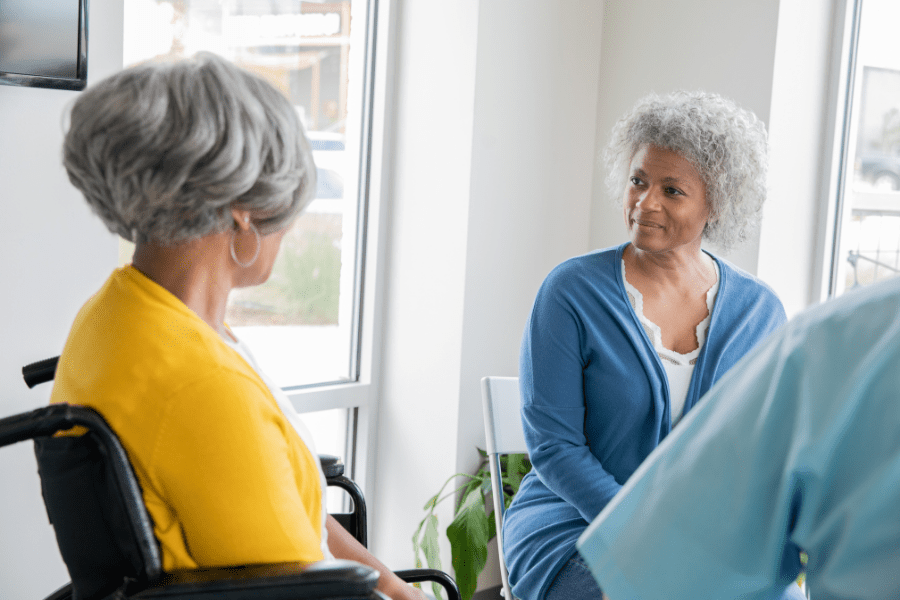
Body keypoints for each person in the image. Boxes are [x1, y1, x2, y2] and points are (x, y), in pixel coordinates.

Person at [51, 53, 424, 600]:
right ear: (244, 210)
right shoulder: (200, 386)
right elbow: (304, 591)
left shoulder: (117, 315)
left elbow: (300, 521)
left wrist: (395, 586)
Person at [502, 91, 798, 600]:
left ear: (716, 203)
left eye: (672, 190)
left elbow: (762, 452)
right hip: (577, 526)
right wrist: (649, 531)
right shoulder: (571, 291)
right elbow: (555, 448)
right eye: (638, 180)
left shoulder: (760, 312)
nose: (646, 202)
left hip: (704, 535)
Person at [577, 274, 900, 600]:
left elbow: (655, 576)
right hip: (580, 518)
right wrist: (623, 522)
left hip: (658, 527)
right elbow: (553, 446)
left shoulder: (784, 318)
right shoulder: (578, 288)